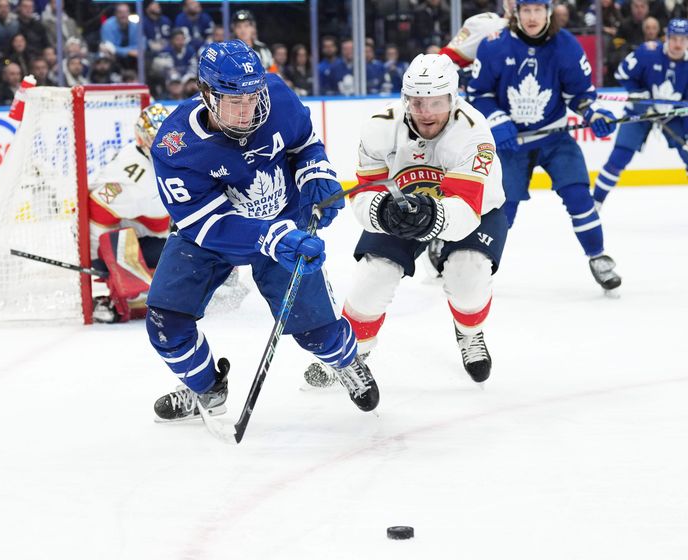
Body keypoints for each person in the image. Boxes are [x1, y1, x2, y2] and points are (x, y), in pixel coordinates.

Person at [146, 40, 379, 422]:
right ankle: (206, 388)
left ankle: (346, 362)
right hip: (213, 240)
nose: (248, 110)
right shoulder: (176, 147)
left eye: (253, 97)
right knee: (165, 324)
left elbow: (304, 145)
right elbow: (206, 224)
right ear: (206, 95)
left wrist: (316, 173)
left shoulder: (277, 97)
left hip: (285, 225)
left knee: (317, 333)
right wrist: (270, 237)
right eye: (234, 101)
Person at [305, 54, 507, 388]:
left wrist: (432, 217)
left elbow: (465, 212)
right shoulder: (380, 127)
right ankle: (350, 352)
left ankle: (469, 332)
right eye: (417, 102)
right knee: (374, 277)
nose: (426, 112)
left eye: (436, 102)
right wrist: (381, 211)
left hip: (474, 211)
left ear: (453, 100)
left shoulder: (473, 133)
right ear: (405, 99)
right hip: (403, 207)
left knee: (467, 276)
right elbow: (363, 197)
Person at [467, 0, 623, 292]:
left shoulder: (566, 45)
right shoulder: (494, 45)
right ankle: (480, 263)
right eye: (526, 10)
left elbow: (580, 95)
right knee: (501, 209)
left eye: (538, 10)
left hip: (554, 137)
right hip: (511, 142)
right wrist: (498, 120)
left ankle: (598, 256)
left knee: (579, 197)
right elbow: (478, 93)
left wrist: (594, 113)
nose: (532, 17)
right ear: (517, 12)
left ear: (548, 12)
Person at [89, 103, 172, 323]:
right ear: (142, 139)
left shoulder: (143, 157)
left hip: (133, 238)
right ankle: (128, 297)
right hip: (107, 251)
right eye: (157, 138)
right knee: (178, 254)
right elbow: (100, 203)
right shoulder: (138, 173)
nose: (165, 145)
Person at [593, 18, 688, 208]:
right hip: (641, 111)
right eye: (674, 38)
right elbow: (622, 73)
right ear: (667, 37)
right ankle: (594, 203)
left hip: (673, 115)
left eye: (683, 39)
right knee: (619, 157)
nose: (678, 44)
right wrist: (638, 93)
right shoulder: (648, 52)